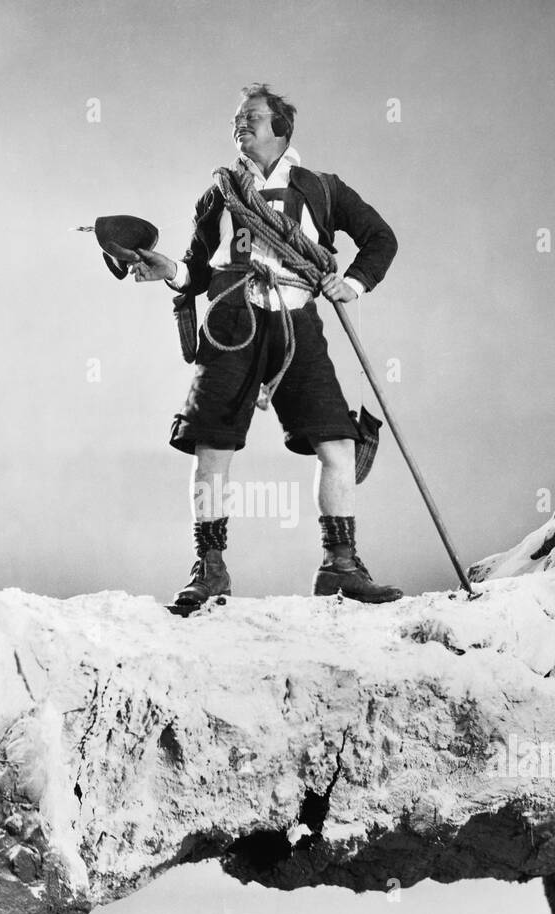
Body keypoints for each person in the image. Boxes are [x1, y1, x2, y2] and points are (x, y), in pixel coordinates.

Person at [132, 83, 403, 607]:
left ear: (281, 127)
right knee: (211, 443)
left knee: (338, 444)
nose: (240, 124)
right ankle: (209, 569)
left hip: (298, 321)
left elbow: (380, 238)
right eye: (236, 118)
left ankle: (340, 567)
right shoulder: (221, 191)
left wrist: (355, 282)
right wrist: (169, 271)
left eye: (251, 116)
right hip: (233, 319)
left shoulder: (322, 189)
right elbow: (194, 268)